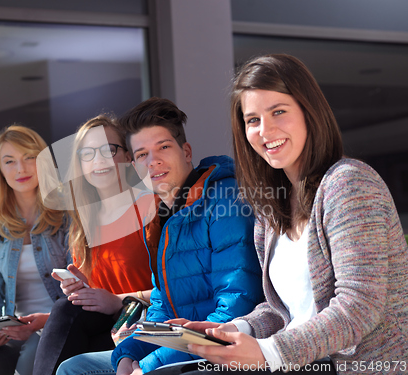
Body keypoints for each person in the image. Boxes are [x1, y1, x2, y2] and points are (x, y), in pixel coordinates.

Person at [148, 54, 408, 375]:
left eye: (279, 112)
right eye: (253, 120)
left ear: (308, 111)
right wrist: (236, 330)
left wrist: (269, 351)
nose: (265, 130)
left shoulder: (348, 183)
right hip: (296, 363)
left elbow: (360, 306)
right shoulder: (273, 207)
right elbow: (283, 310)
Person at [55, 97, 264, 375]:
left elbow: (234, 308)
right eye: (142, 154)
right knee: (75, 368)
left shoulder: (224, 200)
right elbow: (160, 307)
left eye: (163, 147)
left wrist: (149, 365)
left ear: (186, 151)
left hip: (218, 349)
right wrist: (128, 354)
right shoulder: (164, 218)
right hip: (178, 345)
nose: (153, 162)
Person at [32, 115, 155, 375]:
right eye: (87, 154)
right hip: (106, 328)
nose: (98, 160)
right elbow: (96, 296)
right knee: (69, 307)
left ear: (126, 157)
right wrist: (80, 288)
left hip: (143, 324)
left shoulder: (149, 210)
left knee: (67, 317)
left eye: (108, 150)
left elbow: (174, 291)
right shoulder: (83, 221)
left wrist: (116, 301)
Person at [0, 125, 71, 375]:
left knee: (32, 358)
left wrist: (44, 321)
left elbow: (78, 289)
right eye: (9, 161)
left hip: (57, 327)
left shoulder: (67, 211)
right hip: (13, 329)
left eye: (29, 157)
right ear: (0, 170)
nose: (21, 169)